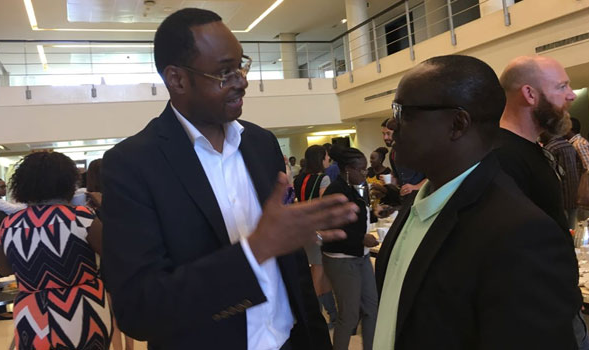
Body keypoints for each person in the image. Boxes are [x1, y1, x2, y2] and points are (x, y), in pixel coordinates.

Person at [100, 8, 358, 350]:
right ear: (176, 79)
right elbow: (140, 311)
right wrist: (256, 249)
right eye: (224, 72)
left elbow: (292, 275)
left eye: (241, 65)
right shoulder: (132, 165)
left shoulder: (261, 143)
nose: (242, 80)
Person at [373, 55, 579, 349]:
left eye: (405, 111)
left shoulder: (520, 234)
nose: (393, 123)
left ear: (458, 123)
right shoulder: (419, 205)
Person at [495, 55, 587, 348]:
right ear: (530, 94)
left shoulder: (531, 149)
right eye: (562, 86)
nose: (571, 95)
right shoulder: (503, 156)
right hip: (539, 317)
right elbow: (513, 249)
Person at [0, 152, 113, 349]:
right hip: (84, 307)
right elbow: (114, 254)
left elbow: (5, 270)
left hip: (31, 313)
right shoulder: (81, 217)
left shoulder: (9, 224)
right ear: (68, 182)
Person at [322, 145, 379, 350]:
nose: (365, 173)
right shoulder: (335, 191)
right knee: (349, 315)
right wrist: (360, 240)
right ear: (348, 170)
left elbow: (358, 216)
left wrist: (376, 214)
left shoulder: (357, 186)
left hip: (360, 256)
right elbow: (331, 230)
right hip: (341, 259)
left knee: (372, 308)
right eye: (361, 169)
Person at [85, 158, 134, 350]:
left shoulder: (88, 203)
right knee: (126, 312)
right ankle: (130, 348)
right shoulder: (121, 195)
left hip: (103, 261)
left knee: (112, 315)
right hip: (126, 257)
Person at [293, 145, 338, 328]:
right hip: (317, 229)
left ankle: (332, 313)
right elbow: (322, 205)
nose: (328, 160)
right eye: (326, 157)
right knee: (318, 271)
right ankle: (314, 316)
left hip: (302, 228)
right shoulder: (323, 178)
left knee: (320, 269)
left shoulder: (300, 178)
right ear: (320, 159)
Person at [540, 131, 580, 228]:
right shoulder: (569, 145)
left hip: (560, 196)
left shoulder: (550, 148)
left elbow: (547, 173)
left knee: (563, 229)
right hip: (574, 194)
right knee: (572, 227)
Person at [382, 118, 427, 196]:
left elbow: (434, 177)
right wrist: (392, 181)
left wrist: (416, 187)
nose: (385, 138)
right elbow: (399, 179)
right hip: (407, 199)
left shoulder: (420, 149)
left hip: (423, 196)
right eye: (383, 134)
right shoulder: (393, 153)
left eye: (388, 133)